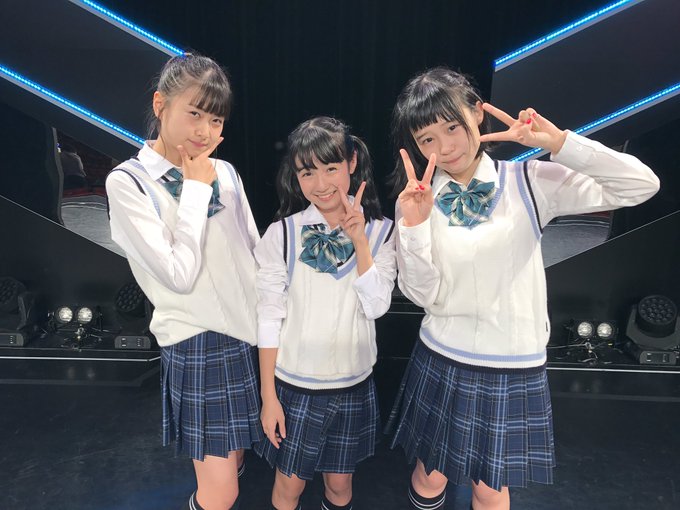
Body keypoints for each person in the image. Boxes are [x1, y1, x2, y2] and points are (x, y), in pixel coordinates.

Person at [386, 67, 659, 510]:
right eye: (427, 139)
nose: (445, 147)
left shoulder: (529, 180)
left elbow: (641, 185)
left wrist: (561, 144)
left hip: (511, 365)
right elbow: (421, 295)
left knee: (490, 488)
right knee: (429, 474)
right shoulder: (418, 200)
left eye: (452, 127)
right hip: (443, 356)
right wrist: (414, 228)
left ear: (477, 113)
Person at [105, 53, 263, 510]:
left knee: (237, 465)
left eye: (216, 120)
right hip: (197, 343)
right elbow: (178, 274)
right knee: (222, 492)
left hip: (246, 336)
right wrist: (194, 188)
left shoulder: (224, 172)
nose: (205, 131)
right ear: (161, 104)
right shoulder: (130, 183)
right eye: (194, 113)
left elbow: (252, 253)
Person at [254, 116, 397, 510]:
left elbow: (377, 306)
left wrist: (360, 243)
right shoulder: (282, 234)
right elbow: (268, 318)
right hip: (295, 387)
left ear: (352, 162)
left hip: (354, 385)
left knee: (340, 487)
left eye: (331, 168)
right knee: (289, 488)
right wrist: (269, 397)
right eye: (307, 172)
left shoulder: (382, 233)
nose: (320, 184)